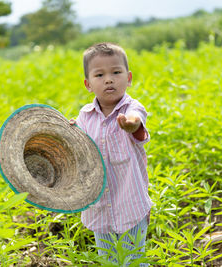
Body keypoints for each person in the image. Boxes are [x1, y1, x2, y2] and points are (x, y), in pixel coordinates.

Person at [70, 42, 152, 265]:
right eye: (100, 74)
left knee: (133, 260)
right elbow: (78, 145)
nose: (109, 79)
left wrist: (130, 125)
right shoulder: (86, 116)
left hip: (130, 204)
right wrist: (70, 131)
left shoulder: (132, 109)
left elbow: (137, 120)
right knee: (108, 260)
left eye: (116, 72)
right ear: (88, 84)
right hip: (100, 207)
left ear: (129, 77)